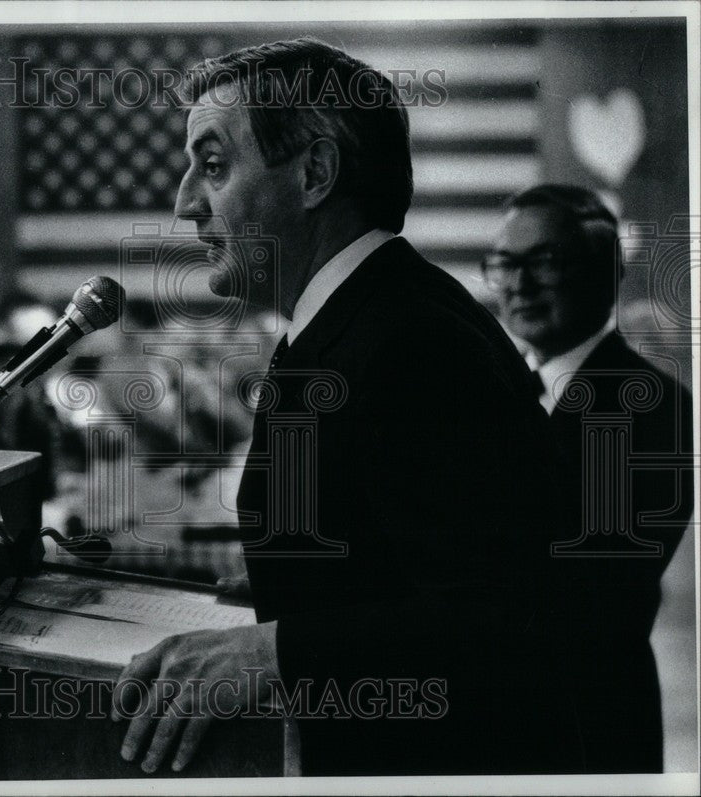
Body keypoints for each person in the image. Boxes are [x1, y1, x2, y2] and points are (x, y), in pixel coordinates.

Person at [111, 38, 583, 775]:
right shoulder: (355, 319)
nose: (183, 203)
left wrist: (278, 649)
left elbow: (511, 618)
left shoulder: (415, 342)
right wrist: (304, 591)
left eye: (212, 165)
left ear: (315, 173)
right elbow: (407, 562)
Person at [483, 184, 694, 772]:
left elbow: (595, 601)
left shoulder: (656, 408)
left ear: (606, 272)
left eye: (545, 261)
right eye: (504, 263)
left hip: (588, 731)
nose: (519, 283)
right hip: (496, 730)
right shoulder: (491, 394)